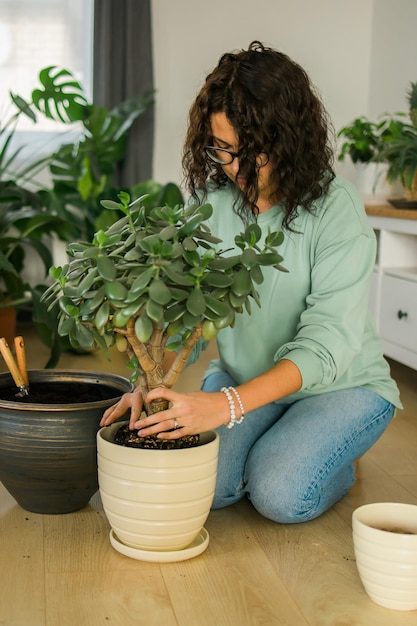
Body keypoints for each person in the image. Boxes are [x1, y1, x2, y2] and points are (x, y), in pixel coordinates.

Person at [100, 41, 401, 524]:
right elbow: (183, 315)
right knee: (210, 488)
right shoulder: (213, 205)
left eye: (253, 153)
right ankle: (282, 432)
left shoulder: (336, 209)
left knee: (279, 494)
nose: (234, 168)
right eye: (222, 149)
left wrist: (226, 406)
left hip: (342, 388)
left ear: (289, 141)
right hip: (244, 379)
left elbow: (326, 344)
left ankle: (338, 461)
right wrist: (146, 381)